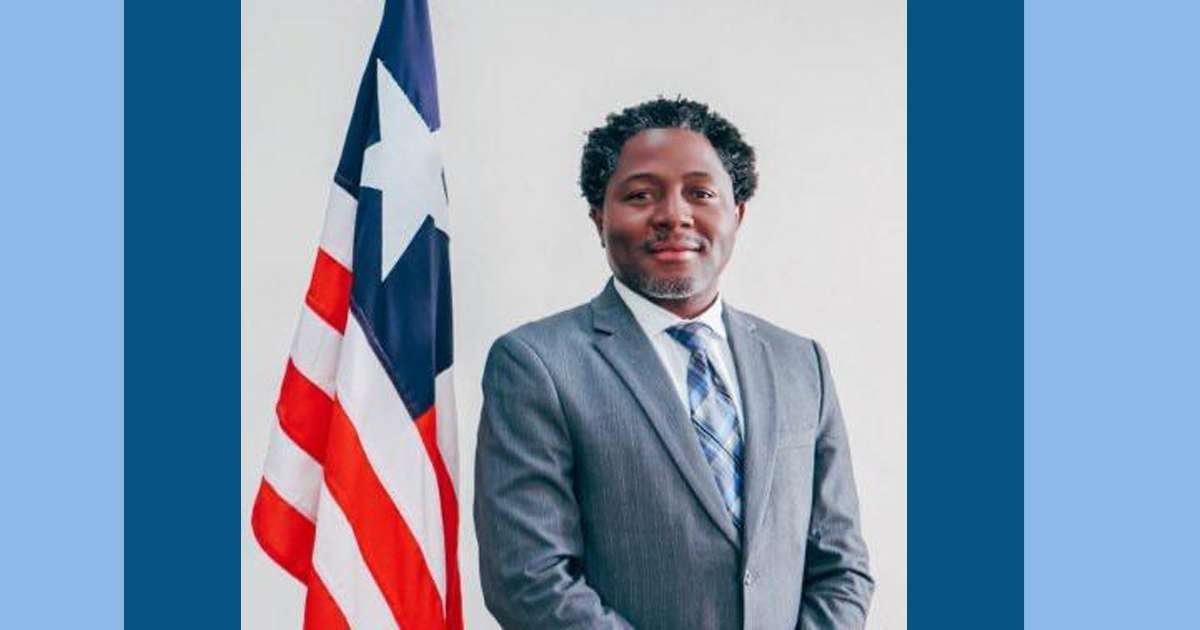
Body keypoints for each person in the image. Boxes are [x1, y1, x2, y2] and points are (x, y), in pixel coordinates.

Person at [474, 97, 874, 629]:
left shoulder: (801, 363)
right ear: (599, 218)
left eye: (700, 193)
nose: (673, 215)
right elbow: (529, 579)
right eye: (640, 195)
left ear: (737, 214)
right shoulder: (537, 365)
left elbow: (842, 566)